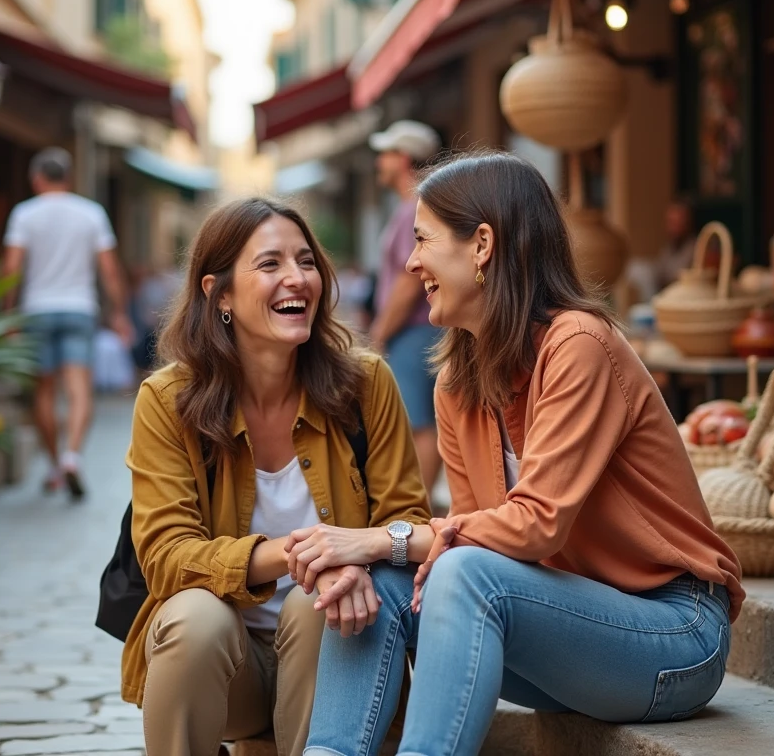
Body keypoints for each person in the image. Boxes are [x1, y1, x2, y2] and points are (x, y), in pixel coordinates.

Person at [304, 153, 745, 756]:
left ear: (482, 244)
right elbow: (472, 536)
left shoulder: (579, 345)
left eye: (424, 239)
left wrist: (382, 537)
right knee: (375, 584)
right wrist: (379, 558)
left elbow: (533, 526)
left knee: (432, 565)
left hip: (676, 633)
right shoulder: (456, 385)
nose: (410, 263)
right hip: (560, 630)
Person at [121, 197, 432, 756]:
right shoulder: (168, 401)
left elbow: (408, 520)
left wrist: (354, 560)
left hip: (339, 651)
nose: (297, 278)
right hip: (225, 665)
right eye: (269, 265)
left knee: (316, 607)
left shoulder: (366, 385)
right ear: (220, 295)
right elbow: (166, 557)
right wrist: (308, 552)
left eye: (306, 261)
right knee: (194, 618)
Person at [1, 147, 134, 499]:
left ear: (36, 179)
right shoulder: (91, 214)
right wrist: (119, 313)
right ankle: (74, 456)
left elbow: (11, 268)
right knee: (79, 391)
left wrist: (7, 314)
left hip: (36, 310)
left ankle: (55, 465)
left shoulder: (24, 214)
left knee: (43, 392)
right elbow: (109, 269)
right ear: (69, 178)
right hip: (80, 309)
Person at [366, 119, 444, 493]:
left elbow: (408, 279)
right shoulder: (418, 206)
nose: (379, 161)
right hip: (420, 330)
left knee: (418, 425)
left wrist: (380, 333)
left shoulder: (413, 208)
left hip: (412, 332)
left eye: (385, 153)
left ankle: (421, 516)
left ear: (403, 158)